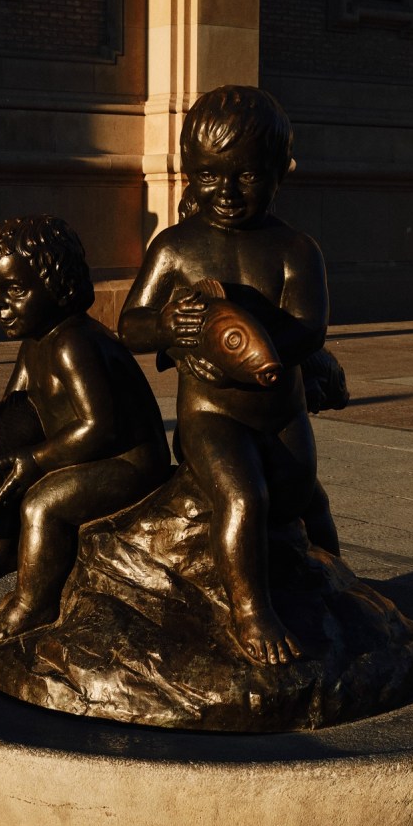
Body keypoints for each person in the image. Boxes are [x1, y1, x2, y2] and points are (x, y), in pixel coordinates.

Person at [119, 85, 334, 665]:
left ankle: (334, 581)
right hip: (211, 415)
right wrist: (167, 325)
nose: (228, 192)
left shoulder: (294, 249)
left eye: (247, 176)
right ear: (189, 173)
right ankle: (251, 612)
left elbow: (309, 330)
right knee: (245, 496)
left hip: (280, 410)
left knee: (297, 493)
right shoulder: (176, 247)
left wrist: (257, 342)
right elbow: (130, 327)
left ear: (279, 172)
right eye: (210, 176)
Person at [0, 215, 171, 642]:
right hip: (77, 451)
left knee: (42, 504)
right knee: (1, 473)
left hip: (128, 460)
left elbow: (101, 426)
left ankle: (34, 604)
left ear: (57, 285)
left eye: (15, 291)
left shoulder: (75, 343)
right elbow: (11, 412)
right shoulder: (34, 342)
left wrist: (35, 459)